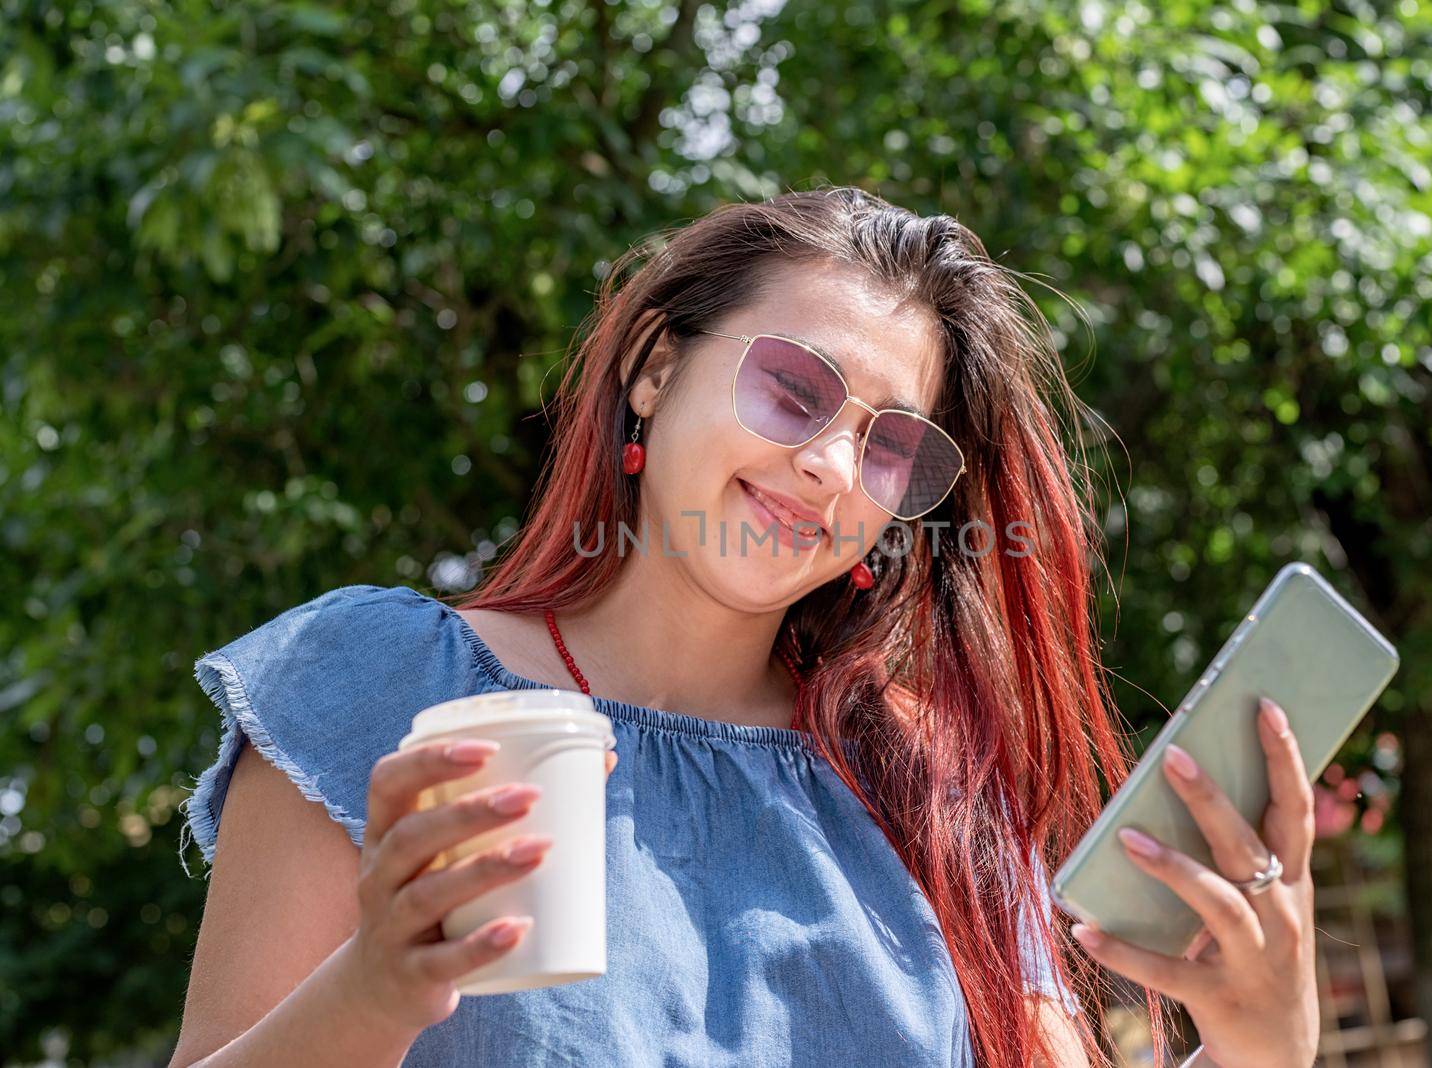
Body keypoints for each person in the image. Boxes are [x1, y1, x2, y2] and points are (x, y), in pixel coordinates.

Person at [168, 186, 1320, 1068]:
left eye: (889, 447)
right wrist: (371, 992)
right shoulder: (377, 682)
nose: (826, 467)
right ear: (656, 369)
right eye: (792, 389)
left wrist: (1260, 1047)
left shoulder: (931, 789)